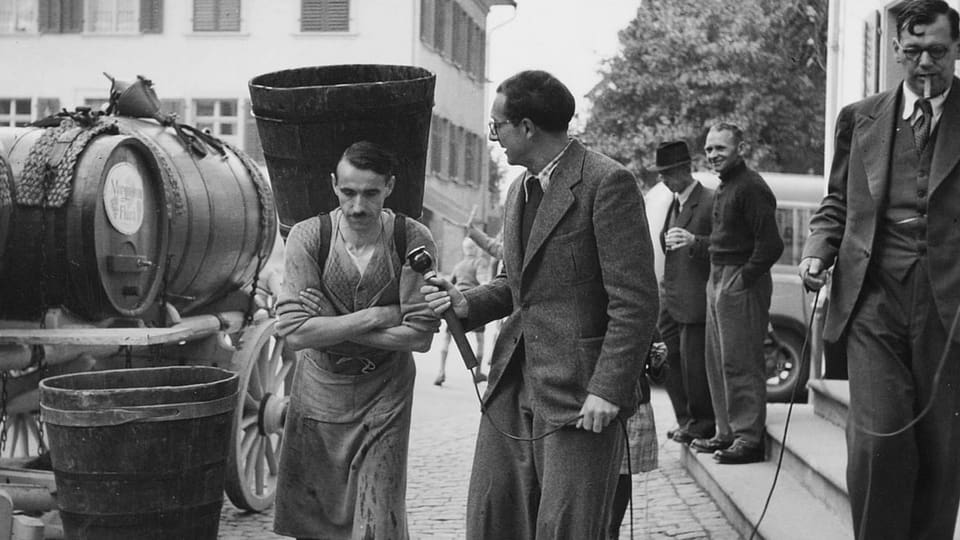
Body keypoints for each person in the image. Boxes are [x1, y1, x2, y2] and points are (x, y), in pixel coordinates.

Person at [422, 70, 659, 540]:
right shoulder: (519, 189)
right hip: (512, 383)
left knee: (568, 528)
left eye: (498, 127)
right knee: (495, 517)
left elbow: (635, 302)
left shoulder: (607, 183)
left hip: (579, 394)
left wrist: (608, 391)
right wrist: (463, 305)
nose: (495, 139)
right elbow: (516, 285)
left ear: (527, 127)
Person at [800, 1, 960, 537]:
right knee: (878, 442)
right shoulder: (860, 118)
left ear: (955, 48)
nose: (924, 64)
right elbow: (838, 203)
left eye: (937, 51)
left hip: (950, 310)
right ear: (895, 50)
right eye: (912, 51)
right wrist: (817, 252)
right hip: (873, 300)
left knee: (942, 451)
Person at [272, 141, 440, 540]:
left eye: (370, 193)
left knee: (377, 518)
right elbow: (294, 332)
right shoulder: (309, 236)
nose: (358, 206)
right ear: (334, 185)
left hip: (385, 392)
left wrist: (330, 323)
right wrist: (378, 315)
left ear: (390, 187)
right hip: (318, 390)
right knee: (314, 519)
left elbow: (419, 338)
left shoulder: (410, 238)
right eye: (348, 192)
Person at [689, 123, 782, 465]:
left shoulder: (751, 187)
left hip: (739, 280)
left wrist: (743, 279)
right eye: (709, 149)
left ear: (740, 148)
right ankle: (726, 432)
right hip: (717, 277)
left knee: (740, 361)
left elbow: (771, 244)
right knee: (717, 360)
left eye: (720, 149)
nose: (713, 155)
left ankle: (748, 438)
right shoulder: (726, 186)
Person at [651, 140, 716, 445]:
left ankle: (702, 423)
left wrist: (694, 240)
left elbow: (723, 245)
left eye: (666, 173)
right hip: (671, 296)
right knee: (670, 360)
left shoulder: (709, 201)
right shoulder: (674, 203)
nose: (662, 179)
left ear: (683, 169)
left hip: (695, 299)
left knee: (694, 365)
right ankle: (685, 420)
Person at [434, 237, 487, 385]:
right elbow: (483, 282)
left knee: (447, 339)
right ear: (475, 248)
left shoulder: (458, 266)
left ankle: (441, 371)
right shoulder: (479, 262)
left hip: (457, 306)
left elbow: (449, 284)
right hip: (473, 305)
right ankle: (478, 372)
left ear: (464, 249)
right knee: (480, 340)